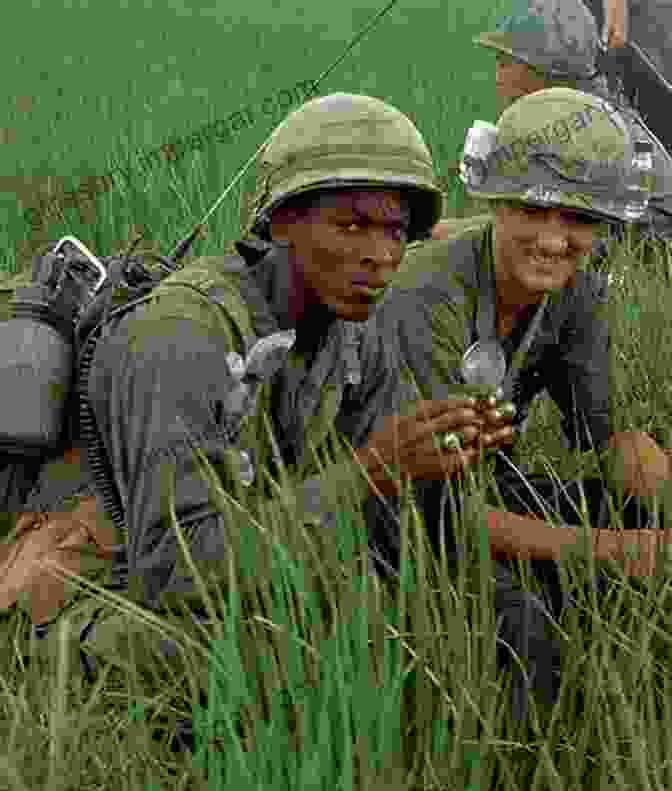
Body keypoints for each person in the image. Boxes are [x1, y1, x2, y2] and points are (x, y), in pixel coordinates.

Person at [9, 93, 525, 688]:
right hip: (84, 584)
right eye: (352, 224)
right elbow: (178, 573)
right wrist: (373, 469)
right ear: (281, 221)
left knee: (422, 620)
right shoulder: (182, 336)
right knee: (284, 653)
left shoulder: (356, 330)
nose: (381, 256)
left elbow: (388, 530)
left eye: (396, 231)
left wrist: (441, 463)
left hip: (234, 567)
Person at [365, 87, 672, 646]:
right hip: (392, 516)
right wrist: (610, 550)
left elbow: (603, 437)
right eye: (531, 209)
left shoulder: (578, 294)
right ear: (494, 203)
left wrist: (648, 480)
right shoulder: (426, 297)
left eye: (579, 217)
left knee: (629, 524)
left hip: (489, 490)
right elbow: (441, 512)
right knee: (523, 629)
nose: (553, 240)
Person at [431, 0, 672, 242]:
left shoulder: (581, 130)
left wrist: (432, 233)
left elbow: (528, 227)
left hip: (648, 248)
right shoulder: (579, 110)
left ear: (539, 68)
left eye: (504, 62)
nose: (496, 77)